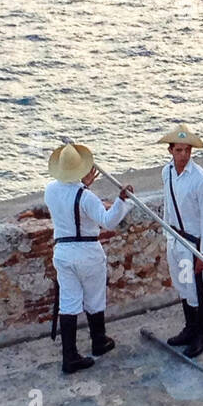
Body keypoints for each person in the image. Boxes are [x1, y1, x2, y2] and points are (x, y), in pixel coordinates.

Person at [45, 142, 135, 374]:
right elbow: (107, 220)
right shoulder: (86, 197)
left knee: (69, 303)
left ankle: (70, 356)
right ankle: (99, 340)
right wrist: (123, 201)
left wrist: (81, 185)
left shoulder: (50, 191)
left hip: (63, 252)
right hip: (87, 252)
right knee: (94, 299)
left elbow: (66, 198)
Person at [158, 124, 203, 358]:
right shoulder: (167, 172)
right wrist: (166, 235)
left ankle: (202, 334)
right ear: (170, 150)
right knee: (183, 286)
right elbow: (168, 206)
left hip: (193, 244)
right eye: (179, 150)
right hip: (175, 240)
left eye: (187, 151)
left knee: (199, 290)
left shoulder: (201, 180)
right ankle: (189, 328)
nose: (183, 155)